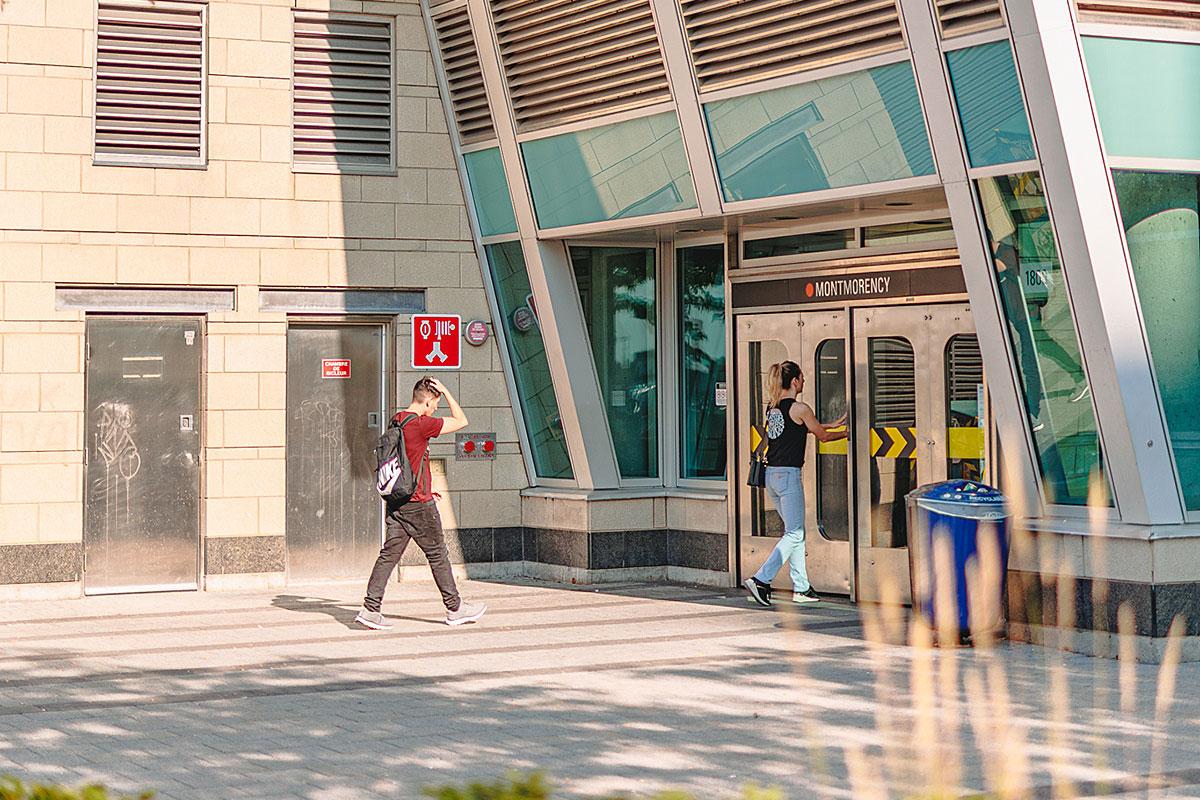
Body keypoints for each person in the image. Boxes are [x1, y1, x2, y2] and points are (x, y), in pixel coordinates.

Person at [355, 377, 487, 629]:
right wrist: (446, 391)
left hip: (398, 501)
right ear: (427, 400)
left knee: (389, 555)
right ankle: (455, 609)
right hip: (418, 504)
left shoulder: (397, 420)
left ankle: (370, 609)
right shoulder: (420, 424)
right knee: (438, 554)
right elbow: (461, 421)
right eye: (435, 403)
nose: (436, 408)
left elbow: (410, 459)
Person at [744, 360, 848, 607]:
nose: (804, 382)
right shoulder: (801, 408)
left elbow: (805, 429)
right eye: (802, 378)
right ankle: (761, 579)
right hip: (789, 477)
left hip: (772, 477)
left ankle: (801, 588)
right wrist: (846, 433)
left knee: (796, 533)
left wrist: (832, 424)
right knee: (794, 533)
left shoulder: (773, 407)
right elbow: (821, 436)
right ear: (794, 382)